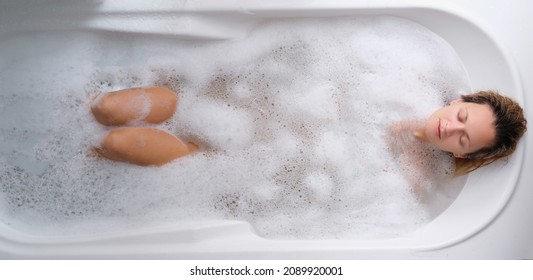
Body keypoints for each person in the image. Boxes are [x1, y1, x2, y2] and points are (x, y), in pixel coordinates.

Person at [91, 87, 527, 178]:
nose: (450, 127)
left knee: (115, 141)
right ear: (459, 101)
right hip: (233, 97)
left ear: (462, 155)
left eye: (462, 139)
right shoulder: (399, 81)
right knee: (106, 107)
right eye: (463, 117)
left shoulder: (410, 175)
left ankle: (96, 150)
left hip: (233, 157)